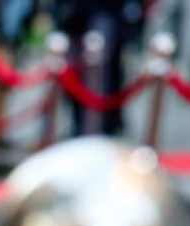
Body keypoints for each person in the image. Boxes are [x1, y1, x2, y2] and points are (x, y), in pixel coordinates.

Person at [55, 0, 143, 136]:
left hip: (106, 14)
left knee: (103, 74)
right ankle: (80, 124)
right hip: (76, 17)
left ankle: (104, 125)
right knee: (74, 75)